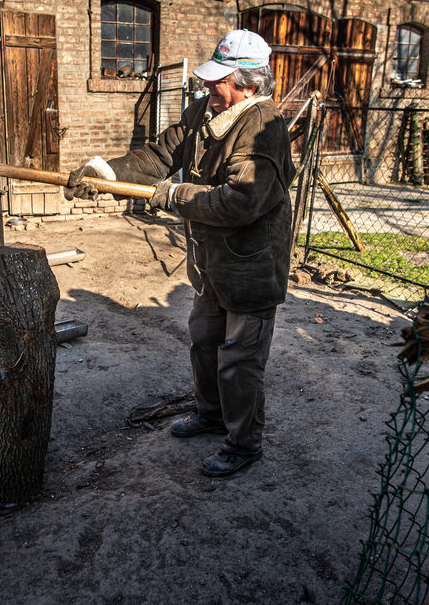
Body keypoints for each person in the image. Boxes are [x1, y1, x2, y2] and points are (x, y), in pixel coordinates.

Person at [67, 29, 295, 477]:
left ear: (248, 83)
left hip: (250, 267)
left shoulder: (263, 130)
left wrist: (175, 196)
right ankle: (211, 415)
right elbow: (158, 154)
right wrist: (105, 172)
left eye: (218, 82)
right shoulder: (205, 111)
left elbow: (241, 202)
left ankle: (244, 443)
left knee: (239, 360)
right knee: (204, 341)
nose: (208, 89)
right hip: (212, 263)